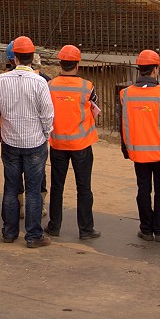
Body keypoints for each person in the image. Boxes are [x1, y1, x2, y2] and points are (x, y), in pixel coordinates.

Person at [0, 36, 55, 248]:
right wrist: (45, 134)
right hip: (34, 143)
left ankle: (9, 232)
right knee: (34, 190)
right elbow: (47, 114)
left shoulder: (1, 80)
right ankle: (34, 236)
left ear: (14, 58)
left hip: (10, 142)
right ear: (32, 57)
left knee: (11, 188)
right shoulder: (40, 82)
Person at [120, 50, 160, 242]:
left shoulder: (126, 94)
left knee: (143, 190)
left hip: (139, 154)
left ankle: (146, 229)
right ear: (156, 69)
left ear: (139, 70)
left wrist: (126, 149)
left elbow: (122, 124)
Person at [46, 45, 100, 240]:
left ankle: (54, 227)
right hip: (82, 145)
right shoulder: (87, 86)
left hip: (58, 144)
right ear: (77, 64)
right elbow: (95, 109)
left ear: (60, 64)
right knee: (84, 188)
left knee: (57, 187)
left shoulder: (50, 85)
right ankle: (86, 229)